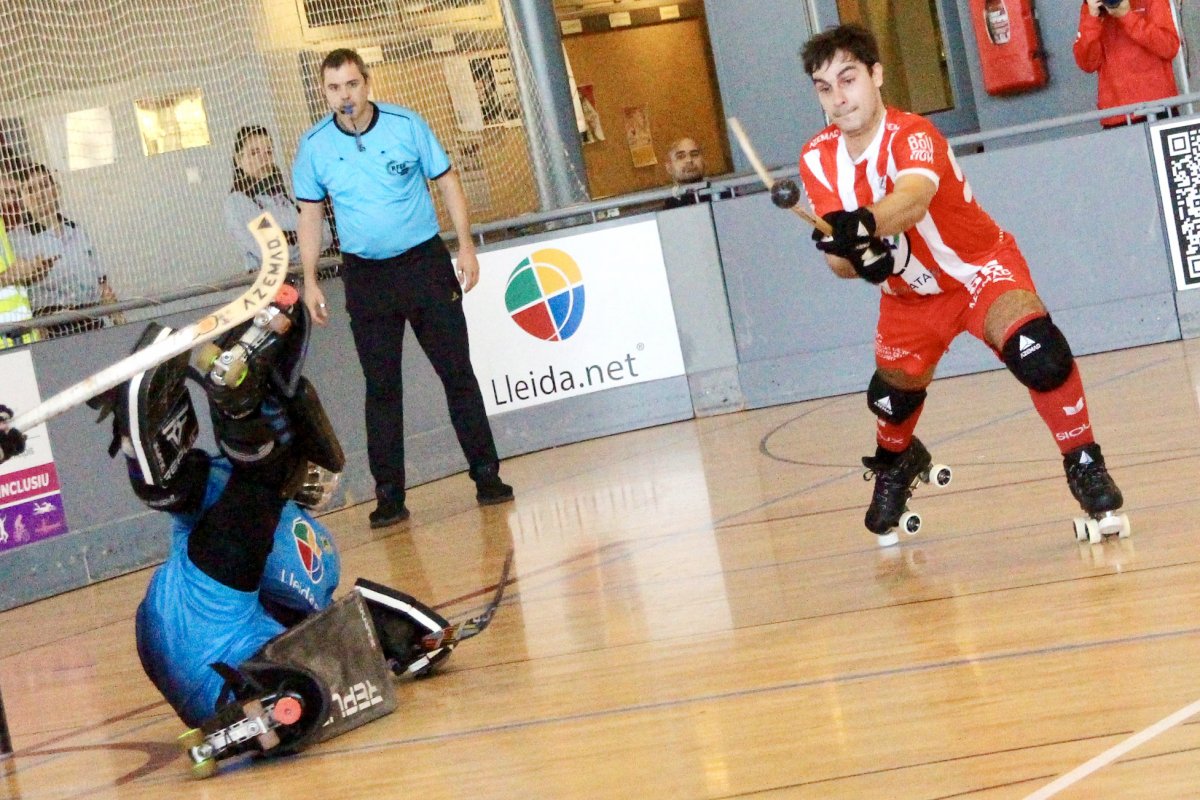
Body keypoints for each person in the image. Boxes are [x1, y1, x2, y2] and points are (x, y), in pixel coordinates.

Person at [0, 287, 462, 771]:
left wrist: (408, 638)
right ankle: (193, 418)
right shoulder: (295, 530)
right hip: (212, 634)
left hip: (206, 633)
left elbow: (182, 495)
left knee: (232, 493)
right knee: (242, 489)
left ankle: (162, 431)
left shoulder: (282, 521)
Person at [795, 25, 1126, 544]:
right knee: (890, 400)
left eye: (848, 79)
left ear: (876, 75)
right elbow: (838, 260)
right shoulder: (817, 157)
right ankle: (898, 464)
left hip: (978, 271)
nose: (838, 98)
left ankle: (1085, 464)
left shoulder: (913, 134)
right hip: (908, 299)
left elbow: (912, 200)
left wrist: (864, 226)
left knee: (1039, 353)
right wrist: (858, 259)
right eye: (824, 87)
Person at [293, 48, 513, 529]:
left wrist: (465, 246)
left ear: (367, 82)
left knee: (457, 374)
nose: (345, 95)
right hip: (367, 277)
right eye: (334, 88)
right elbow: (309, 215)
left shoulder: (406, 124)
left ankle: (487, 475)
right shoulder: (314, 146)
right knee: (382, 389)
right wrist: (308, 280)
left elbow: (448, 182)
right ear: (324, 92)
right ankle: (389, 497)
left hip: (424, 266)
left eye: (352, 84)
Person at [10, 163, 120, 337]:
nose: (39, 194)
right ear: (21, 199)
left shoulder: (77, 231)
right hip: (52, 331)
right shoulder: (17, 241)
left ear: (56, 189)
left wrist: (118, 318)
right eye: (30, 190)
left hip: (92, 323)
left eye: (44, 185)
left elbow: (101, 282)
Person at [224, 125, 332, 272]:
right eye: (254, 153)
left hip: (310, 274)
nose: (264, 159)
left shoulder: (284, 196)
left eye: (268, 152)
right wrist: (306, 235)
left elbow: (326, 234)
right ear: (238, 159)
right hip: (274, 282)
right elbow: (272, 251)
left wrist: (290, 236)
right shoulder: (237, 202)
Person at [1074, 0, 1181, 128]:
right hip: (1117, 115)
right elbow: (1087, 64)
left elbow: (1169, 47)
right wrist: (1092, 17)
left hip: (1160, 107)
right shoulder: (1092, 7)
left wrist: (1127, 16)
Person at [0, 164, 48, 349]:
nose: (13, 199)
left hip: (21, 337)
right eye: (8, 192)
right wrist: (10, 276)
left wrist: (31, 272)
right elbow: (8, 277)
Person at [661, 137, 731, 210]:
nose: (689, 160)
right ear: (669, 167)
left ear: (704, 161)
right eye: (680, 156)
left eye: (694, 154)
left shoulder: (725, 194)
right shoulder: (669, 208)